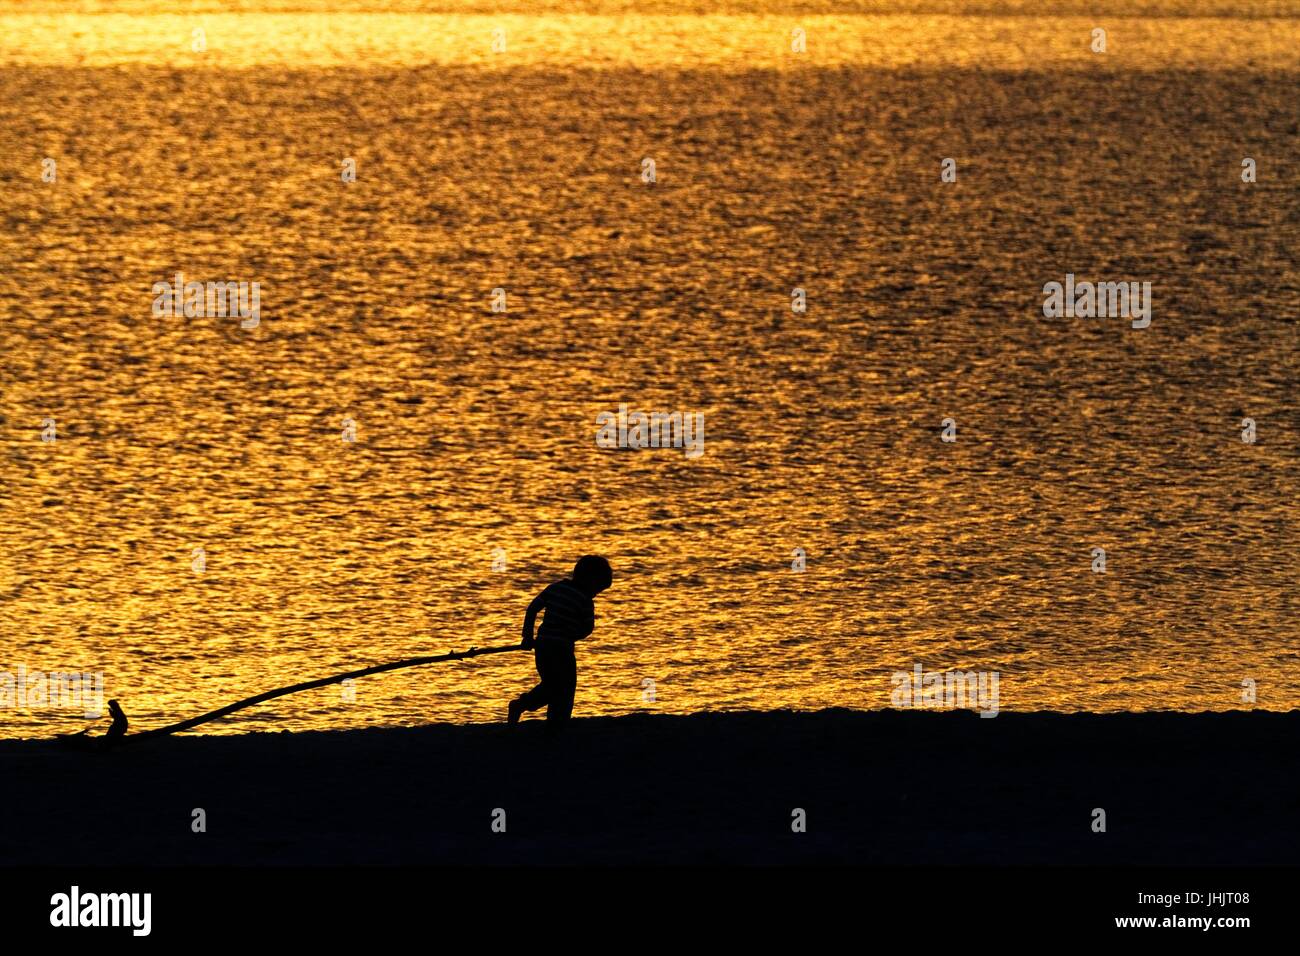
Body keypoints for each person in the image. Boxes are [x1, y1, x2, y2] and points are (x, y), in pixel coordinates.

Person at [508, 555, 612, 727]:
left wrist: (527, 636)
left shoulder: (555, 588)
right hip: (562, 650)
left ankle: (537, 712)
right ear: (590, 580)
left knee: (552, 684)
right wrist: (572, 635)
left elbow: (532, 609)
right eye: (597, 589)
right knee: (565, 686)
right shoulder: (585, 601)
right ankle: (530, 708)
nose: (595, 594)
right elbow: (587, 629)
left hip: (542, 647)